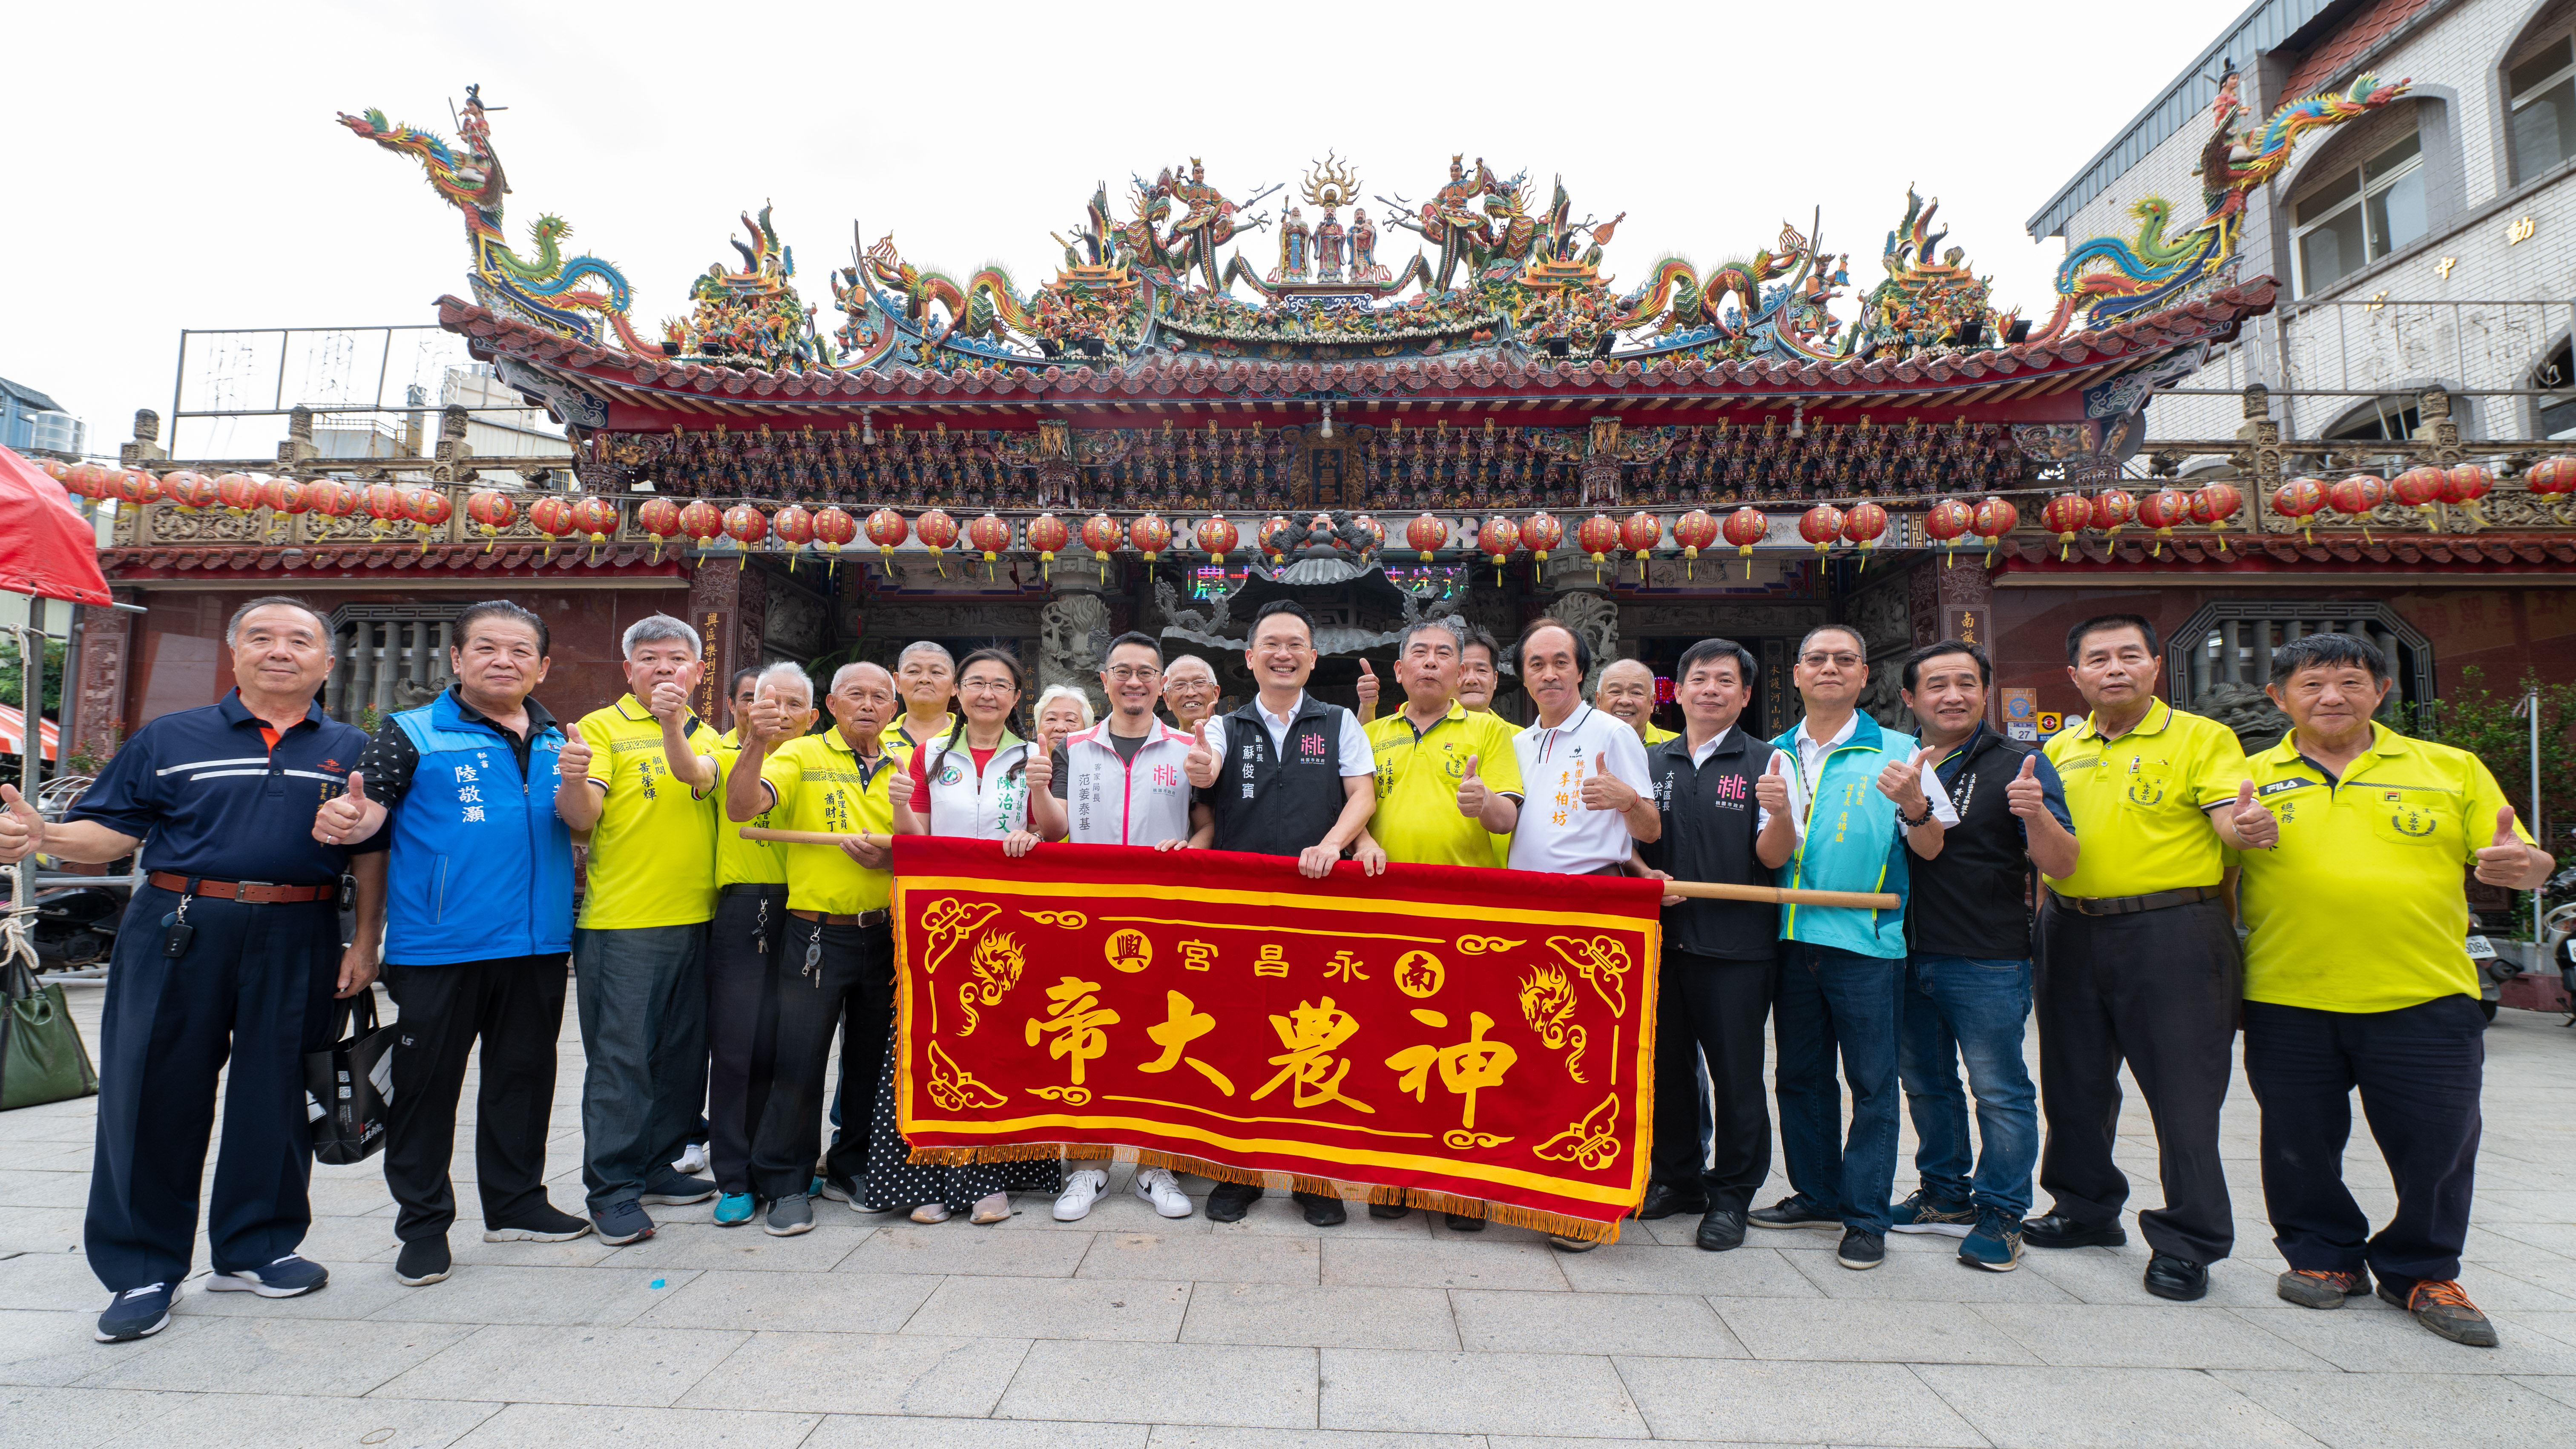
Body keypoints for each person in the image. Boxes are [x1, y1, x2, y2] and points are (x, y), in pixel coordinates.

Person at [0, 597, 384, 1343]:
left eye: (300, 640)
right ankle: (143, 1265)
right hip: (179, 925)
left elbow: (372, 849)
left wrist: (365, 941)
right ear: (234, 655)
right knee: (152, 1090)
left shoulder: (352, 747)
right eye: (262, 638)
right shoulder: (170, 738)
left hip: (301, 926)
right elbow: (108, 831)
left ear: (327, 663)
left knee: (277, 1089)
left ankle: (257, 1246)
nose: (282, 650)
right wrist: (43, 835)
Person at [2237, 633, 2550, 1346]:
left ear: (2381, 691)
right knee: (2296, 1139)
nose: (2329, 696)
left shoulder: (2447, 768)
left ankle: (2421, 1267)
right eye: (2311, 683)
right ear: (2277, 697)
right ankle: (2321, 1256)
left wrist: (2519, 866)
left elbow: (2522, 858)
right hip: (2289, 994)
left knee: (2437, 1142)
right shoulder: (2248, 777)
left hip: (2424, 994)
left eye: (2349, 681)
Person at [318, 600, 590, 1289]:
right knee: (425, 1089)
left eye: (521, 651)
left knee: (523, 1079)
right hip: (440, 945)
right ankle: (423, 1224)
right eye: (489, 648)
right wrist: (348, 820)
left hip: (535, 944)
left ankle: (516, 1201)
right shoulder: (409, 733)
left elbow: (581, 825)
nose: (505, 661)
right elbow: (369, 817)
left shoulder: (564, 741)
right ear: (458, 659)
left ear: (543, 665)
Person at [2029, 614, 2274, 1303]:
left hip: (2173, 930)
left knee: (2182, 1094)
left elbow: (2230, 814)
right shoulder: (2059, 747)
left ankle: (2188, 1239)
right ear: (2074, 675)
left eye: (2128, 656)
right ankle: (2083, 1206)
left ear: (2153, 666)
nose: (2114, 668)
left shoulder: (2201, 738)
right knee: (2073, 1082)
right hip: (2069, 926)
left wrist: (2246, 826)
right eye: (2097, 658)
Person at [1747, 625, 1955, 1274]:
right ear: (1799, 675)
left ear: (1865, 676)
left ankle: (1865, 1215)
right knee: (1800, 1077)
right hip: (1792, 941)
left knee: (1870, 1083)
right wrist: (1777, 812)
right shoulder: (1775, 754)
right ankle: (1816, 1191)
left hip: (1868, 944)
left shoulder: (1902, 752)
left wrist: (1916, 804)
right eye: (1817, 659)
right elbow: (1771, 856)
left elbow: (1932, 849)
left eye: (1844, 659)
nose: (1830, 668)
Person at [1183, 600, 1379, 1226]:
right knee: (1237, 1038)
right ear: (1249, 658)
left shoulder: (1339, 720)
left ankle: (1314, 1176)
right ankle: (1235, 1173)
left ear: (1312, 656)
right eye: (1271, 643)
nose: (1283, 653)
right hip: (1240, 912)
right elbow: (1206, 772)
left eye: (1296, 643)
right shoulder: (1223, 726)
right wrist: (1200, 762)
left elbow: (1363, 793)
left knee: (1316, 1035)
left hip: (1321, 908)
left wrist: (1335, 843)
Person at [1885, 640, 2077, 1274]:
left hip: (1987, 954)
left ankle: (2002, 1209)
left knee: (1998, 1089)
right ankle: (1944, 1191)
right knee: (1926, 1083)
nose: (1953, 695)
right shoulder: (1895, 761)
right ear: (1910, 697)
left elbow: (2063, 864)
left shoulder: (2021, 764)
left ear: (1985, 691)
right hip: (1905, 949)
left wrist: (2038, 817)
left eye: (1966, 682)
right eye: (1936, 684)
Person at [880, 648, 1068, 1222]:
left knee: (999, 1043)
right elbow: (920, 837)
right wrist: (898, 811)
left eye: (1001, 685)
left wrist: (1036, 807)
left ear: (1017, 697)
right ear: (958, 694)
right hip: (942, 920)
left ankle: (992, 1180)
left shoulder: (1036, 754)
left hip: (1011, 921)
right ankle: (925, 1179)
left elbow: (1056, 832)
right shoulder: (929, 753)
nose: (988, 693)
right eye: (977, 683)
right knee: (933, 1037)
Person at [1350, 618, 1524, 1232]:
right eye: (1418, 653)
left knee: (1466, 1052)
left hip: (1470, 916)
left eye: (1443, 655)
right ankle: (1396, 1173)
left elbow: (1507, 818)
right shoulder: (1371, 734)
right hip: (1387, 913)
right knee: (1391, 1047)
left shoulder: (1492, 731)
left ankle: (1461, 1182)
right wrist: (1365, 837)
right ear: (1399, 670)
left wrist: (1486, 803)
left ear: (1462, 671)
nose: (1430, 663)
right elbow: (1351, 805)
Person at [555, 614, 723, 1245]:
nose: (663, 668)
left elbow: (706, 786)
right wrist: (573, 779)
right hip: (625, 923)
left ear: (698, 671)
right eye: (649, 658)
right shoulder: (600, 728)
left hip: (701, 918)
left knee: (682, 1056)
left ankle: (658, 1164)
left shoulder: (711, 733)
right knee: (622, 1062)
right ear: (628, 670)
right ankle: (613, 1188)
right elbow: (581, 819)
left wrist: (677, 726)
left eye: (676, 658)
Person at [726, 662, 903, 1237]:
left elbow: (922, 844)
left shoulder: (904, 763)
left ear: (894, 709)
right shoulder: (799, 755)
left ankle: (850, 1166)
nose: (870, 704)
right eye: (857, 694)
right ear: (830, 703)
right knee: (798, 1060)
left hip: (885, 935)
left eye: (881, 696)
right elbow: (743, 806)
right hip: (817, 935)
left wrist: (892, 858)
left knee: (871, 1063)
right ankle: (784, 1180)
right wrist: (755, 741)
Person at [1048, 632, 1209, 1222]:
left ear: (1162, 683)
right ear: (1105, 678)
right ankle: (1087, 1164)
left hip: (1164, 911)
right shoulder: (1074, 745)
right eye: (1123, 670)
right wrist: (1040, 795)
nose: (1135, 681)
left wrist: (1189, 848)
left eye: (1147, 671)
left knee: (1161, 1037)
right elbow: (1054, 823)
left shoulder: (1185, 746)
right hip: (1088, 912)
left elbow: (1208, 822)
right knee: (1087, 1034)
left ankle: (1154, 1165)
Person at [1636, 638, 1789, 1254]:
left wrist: (1779, 813)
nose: (1711, 689)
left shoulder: (1767, 762)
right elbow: (1630, 848)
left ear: (1746, 694)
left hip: (1736, 946)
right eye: (1699, 678)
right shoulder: (1650, 761)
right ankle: (1678, 1178)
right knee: (1667, 1068)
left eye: (1726, 680)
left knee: (1736, 1076)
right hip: (1660, 944)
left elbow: (1773, 856)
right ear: (1677, 689)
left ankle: (1731, 1195)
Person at [702, 662, 808, 1227]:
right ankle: (735, 1174)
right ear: (740, 706)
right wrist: (756, 742)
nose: (779, 713)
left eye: (794, 704)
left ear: (814, 715)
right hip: (748, 903)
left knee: (797, 1046)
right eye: (765, 701)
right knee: (740, 1045)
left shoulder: (818, 761)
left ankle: (786, 1162)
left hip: (811, 905)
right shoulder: (725, 757)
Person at [1503, 619, 1659, 878]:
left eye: (1561, 663)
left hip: (1592, 892)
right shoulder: (1518, 743)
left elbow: (1651, 831)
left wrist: (1627, 800)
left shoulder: (1614, 733)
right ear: (1524, 678)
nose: (1549, 674)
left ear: (1580, 672)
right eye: (1537, 665)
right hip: (1525, 896)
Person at [884, 641, 958, 761]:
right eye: (914, 671)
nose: (925, 679)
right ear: (897, 682)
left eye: (936, 672)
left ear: (955, 685)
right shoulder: (876, 739)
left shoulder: (972, 739)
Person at [1596, 658, 1677, 745]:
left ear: (1652, 703)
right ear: (1599, 701)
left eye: (1636, 693)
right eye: (1615, 692)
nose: (1625, 701)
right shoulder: (1582, 744)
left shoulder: (1679, 747)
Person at [1162, 652, 1221, 733]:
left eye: (1199, 683)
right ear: (1167, 700)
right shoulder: (1161, 745)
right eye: (1179, 685)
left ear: (1215, 693)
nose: (1190, 693)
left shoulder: (1234, 741)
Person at [1033, 684, 1093, 758]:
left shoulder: (1099, 768)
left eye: (1070, 720)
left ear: (1087, 731)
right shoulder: (1022, 766)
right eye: (1052, 719)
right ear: (1038, 729)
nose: (1060, 728)